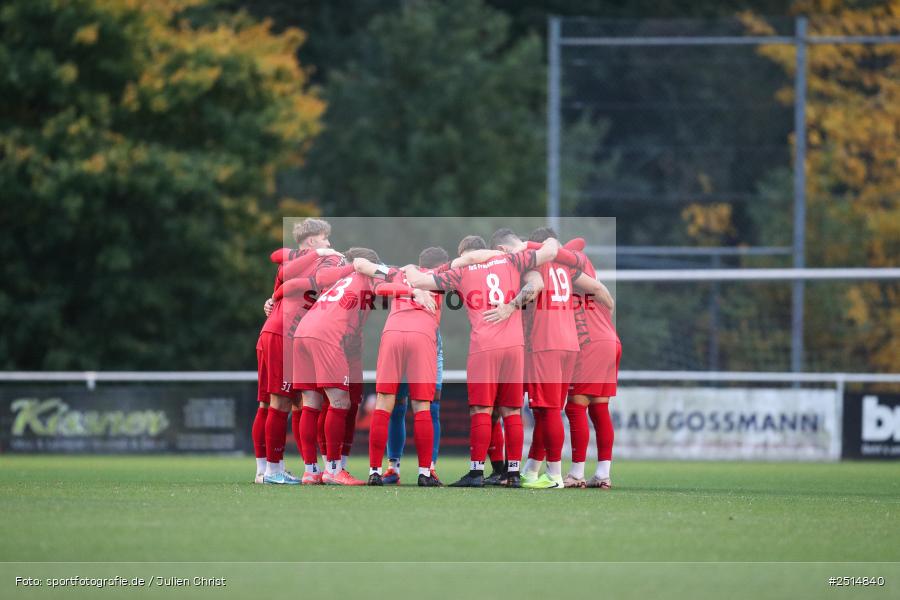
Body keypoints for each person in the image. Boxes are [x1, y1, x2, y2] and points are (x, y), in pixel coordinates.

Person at [405, 235, 560, 487]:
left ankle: (476, 472)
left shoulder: (460, 271)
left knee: (481, 410)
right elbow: (549, 253)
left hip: (484, 346)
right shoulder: (511, 261)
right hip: (514, 345)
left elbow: (417, 280)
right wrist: (534, 244)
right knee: (512, 410)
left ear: (463, 253)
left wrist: (409, 268)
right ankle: (512, 473)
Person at [358, 247, 448, 487]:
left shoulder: (399, 273)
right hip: (422, 336)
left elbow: (376, 285)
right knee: (422, 407)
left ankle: (375, 471)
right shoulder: (442, 275)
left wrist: (408, 286)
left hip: (393, 334)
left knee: (383, 404)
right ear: (442, 264)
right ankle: (425, 473)